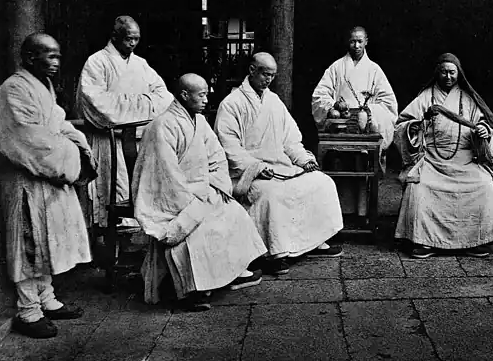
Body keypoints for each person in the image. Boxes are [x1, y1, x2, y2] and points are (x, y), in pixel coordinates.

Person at [131, 74, 267, 311]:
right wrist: (192, 202)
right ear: (184, 95)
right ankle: (193, 289)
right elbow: (165, 175)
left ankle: (230, 273)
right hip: (175, 197)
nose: (206, 100)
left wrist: (216, 187)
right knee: (201, 226)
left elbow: (217, 158)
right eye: (201, 95)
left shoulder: (200, 122)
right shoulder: (162, 126)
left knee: (234, 213)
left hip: (204, 190)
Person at [0, 34, 95, 338]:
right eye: (49, 56)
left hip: (48, 178)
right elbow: (30, 140)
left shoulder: (42, 86)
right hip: (25, 178)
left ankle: (46, 298)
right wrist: (70, 155)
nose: (56, 62)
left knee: (46, 240)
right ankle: (28, 311)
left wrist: (77, 144)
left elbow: (59, 124)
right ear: (29, 57)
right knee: (28, 244)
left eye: (58, 56)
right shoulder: (13, 90)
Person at [215, 52, 344, 274]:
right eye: (265, 74)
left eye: (272, 76)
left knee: (321, 183)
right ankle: (275, 253)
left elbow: (290, 139)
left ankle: (313, 242)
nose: (268, 80)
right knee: (272, 195)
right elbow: (229, 147)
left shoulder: (273, 101)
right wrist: (256, 168)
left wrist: (303, 160)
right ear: (252, 70)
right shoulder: (231, 104)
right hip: (250, 172)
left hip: (281, 166)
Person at [395, 53, 493, 258]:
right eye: (444, 72)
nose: (448, 76)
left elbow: (483, 123)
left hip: (465, 159)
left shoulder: (468, 98)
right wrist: (417, 124)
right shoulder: (426, 97)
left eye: (452, 72)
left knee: (483, 184)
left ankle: (475, 240)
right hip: (432, 159)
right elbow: (402, 125)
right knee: (418, 187)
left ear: (458, 73)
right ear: (437, 73)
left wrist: (483, 130)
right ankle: (424, 241)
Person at [75, 15, 173, 228]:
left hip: (137, 141)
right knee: (110, 193)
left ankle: (133, 240)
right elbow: (99, 105)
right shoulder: (97, 62)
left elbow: (165, 98)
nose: (133, 44)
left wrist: (126, 104)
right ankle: (107, 241)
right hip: (107, 140)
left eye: (136, 39)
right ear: (115, 36)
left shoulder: (141, 64)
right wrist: (144, 104)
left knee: (137, 192)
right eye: (129, 39)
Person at [311, 26, 398, 217]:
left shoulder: (374, 70)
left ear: (366, 41)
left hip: (364, 132)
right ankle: (339, 216)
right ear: (347, 42)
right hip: (341, 130)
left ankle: (362, 215)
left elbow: (388, 103)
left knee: (361, 168)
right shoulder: (336, 68)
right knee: (339, 168)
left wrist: (370, 112)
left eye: (360, 41)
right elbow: (319, 95)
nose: (356, 45)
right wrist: (332, 106)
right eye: (352, 41)